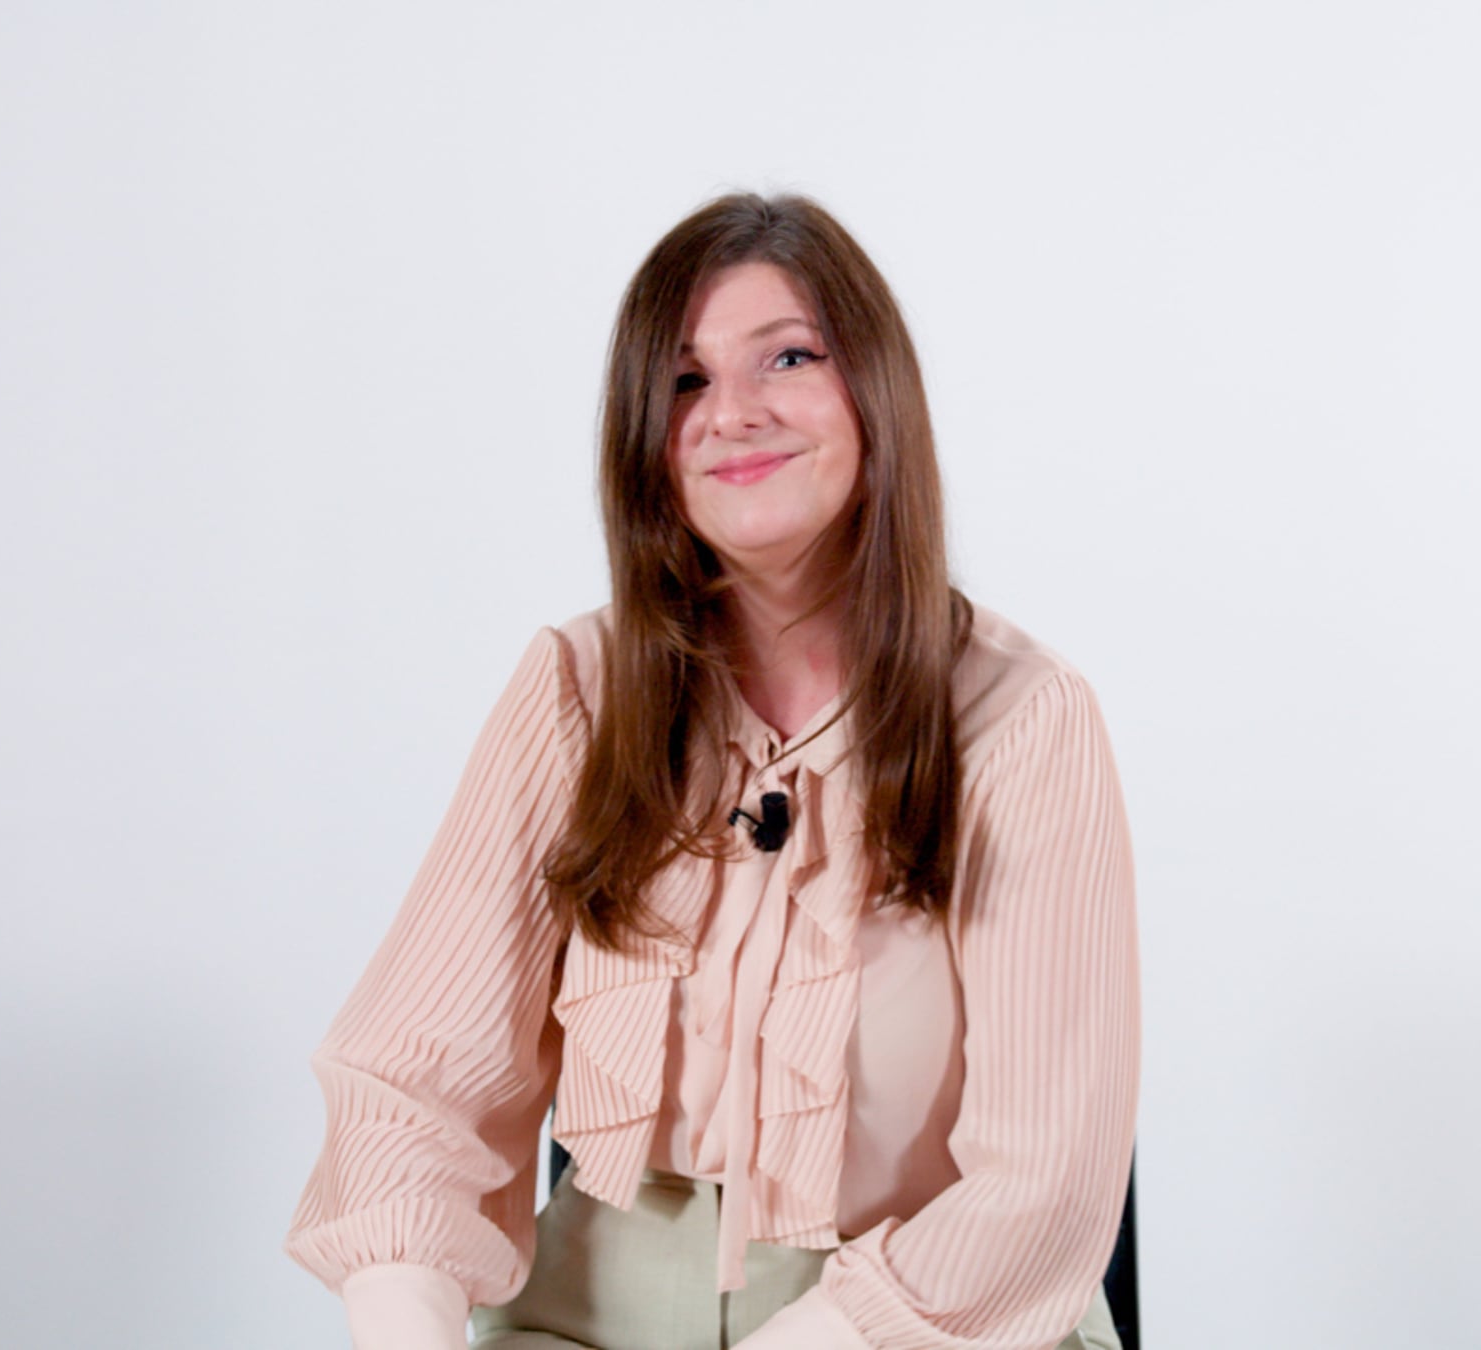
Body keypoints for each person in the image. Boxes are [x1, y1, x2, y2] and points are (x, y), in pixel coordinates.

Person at [284, 192, 1140, 1349]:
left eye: (787, 357)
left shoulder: (1021, 719)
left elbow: (1044, 1188)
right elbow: (415, 1083)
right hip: (594, 1313)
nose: (731, 413)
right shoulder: (578, 688)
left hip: (918, 1321)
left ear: (876, 392)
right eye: (685, 380)